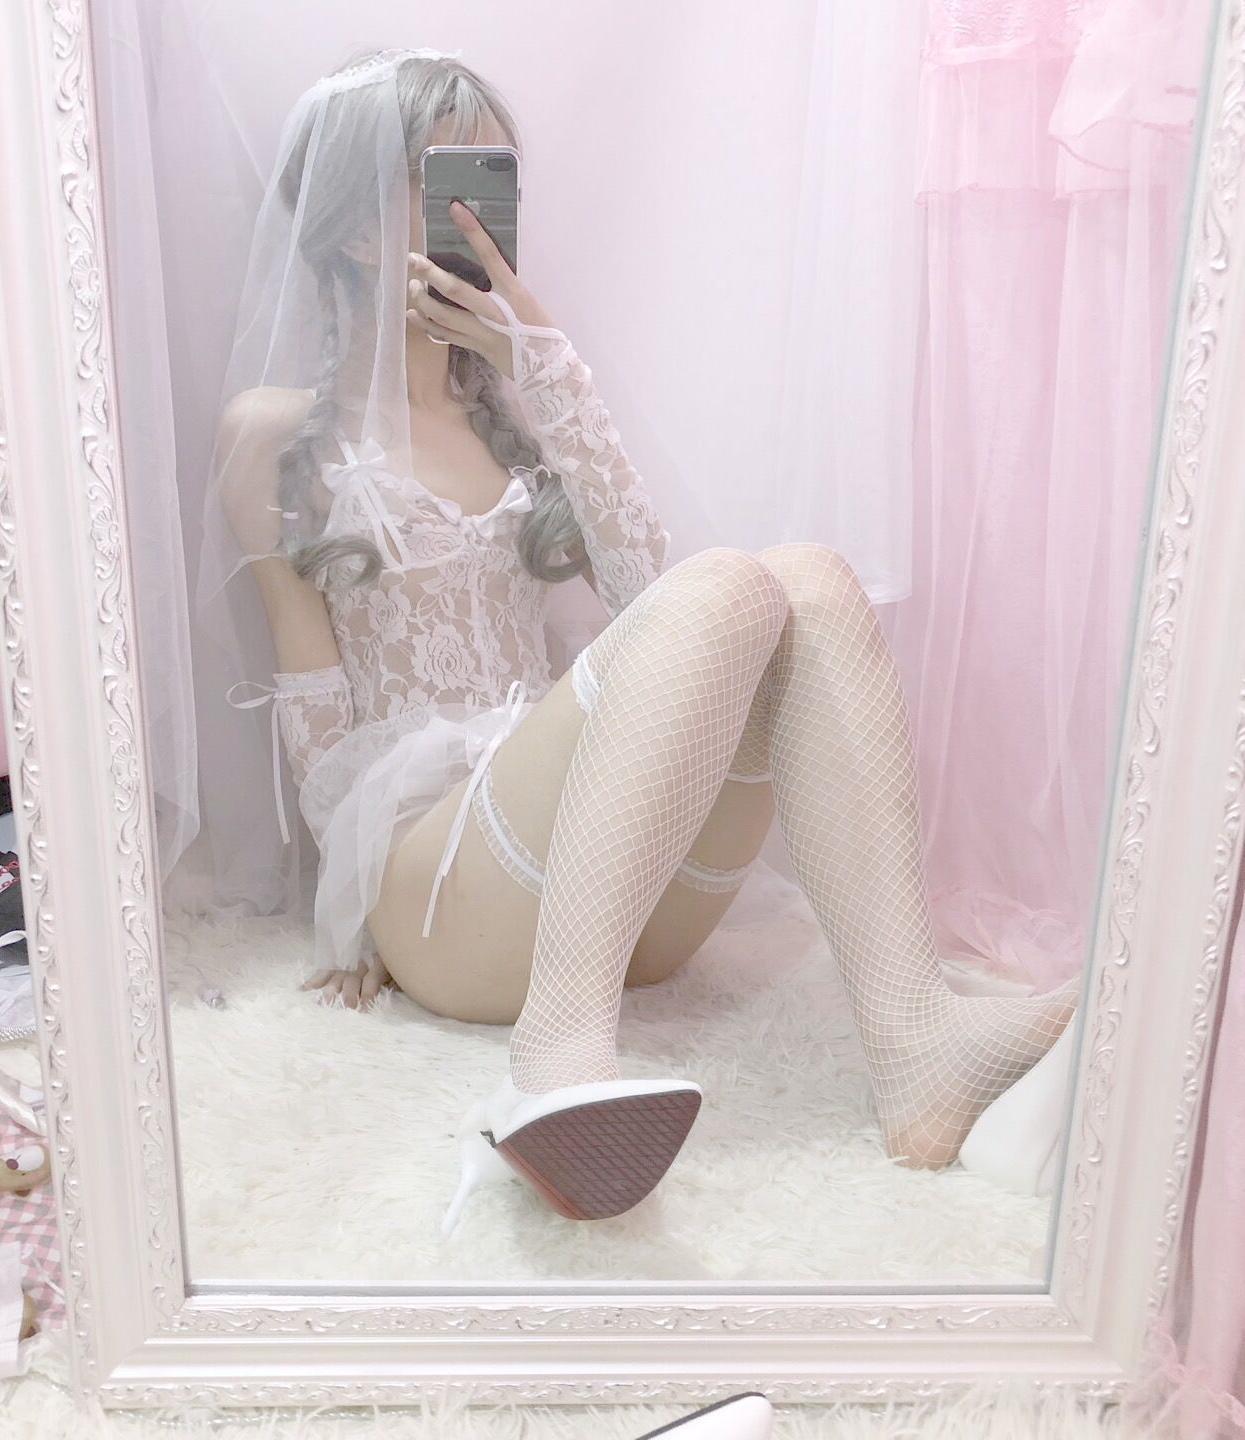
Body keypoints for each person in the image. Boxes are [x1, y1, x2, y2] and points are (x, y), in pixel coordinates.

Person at [203, 46, 1076, 1236]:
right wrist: (350, 914)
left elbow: (645, 593)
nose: (479, 217)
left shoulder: (514, 413)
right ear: (359, 230)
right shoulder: (275, 431)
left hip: (594, 890)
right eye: (447, 180)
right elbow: (310, 701)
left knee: (807, 583)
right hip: (436, 893)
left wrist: (542, 363)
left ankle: (914, 1038)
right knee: (729, 586)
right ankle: (554, 1058)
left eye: (496, 182)